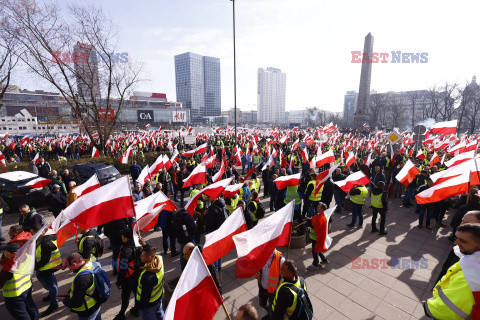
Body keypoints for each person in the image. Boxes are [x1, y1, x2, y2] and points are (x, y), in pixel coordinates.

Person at [423, 223, 480, 319]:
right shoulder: (471, 258)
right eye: (457, 238)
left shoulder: (472, 276)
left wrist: (427, 306)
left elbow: (448, 309)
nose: (456, 243)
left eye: (463, 240)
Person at [0, 243, 39, 320]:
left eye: (4, 251)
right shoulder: (28, 257)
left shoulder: (8, 267)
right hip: (27, 287)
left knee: (21, 314)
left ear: (8, 253)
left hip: (14, 295)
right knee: (30, 306)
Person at [32, 225, 61, 316]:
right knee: (50, 282)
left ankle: (54, 303)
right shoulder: (42, 239)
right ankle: (52, 295)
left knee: (51, 285)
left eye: (33, 232)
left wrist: (34, 267)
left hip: (47, 268)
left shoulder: (45, 243)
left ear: (42, 232)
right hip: (48, 267)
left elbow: (44, 260)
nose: (32, 234)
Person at [62, 252, 102, 320]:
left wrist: (64, 300)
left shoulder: (82, 278)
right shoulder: (92, 264)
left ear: (74, 265)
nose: (69, 269)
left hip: (88, 310)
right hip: (97, 303)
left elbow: (76, 303)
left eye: (69, 267)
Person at [114, 228, 140, 320]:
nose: (121, 237)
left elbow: (122, 270)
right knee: (137, 293)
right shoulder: (137, 245)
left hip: (128, 278)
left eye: (122, 236)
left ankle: (121, 314)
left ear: (126, 238)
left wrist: (119, 282)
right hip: (137, 275)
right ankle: (137, 310)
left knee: (125, 296)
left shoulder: (125, 251)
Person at [136, 245, 165, 320]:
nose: (140, 257)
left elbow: (145, 297)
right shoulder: (159, 259)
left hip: (148, 306)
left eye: (142, 256)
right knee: (160, 315)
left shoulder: (148, 277)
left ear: (149, 258)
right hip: (158, 299)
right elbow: (151, 250)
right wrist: (144, 244)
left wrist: (140, 307)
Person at [256, 250, 285, 318]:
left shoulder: (281, 260)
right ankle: (270, 312)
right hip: (262, 288)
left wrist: (277, 289)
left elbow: (283, 278)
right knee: (262, 303)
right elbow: (259, 269)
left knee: (273, 309)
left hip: (273, 292)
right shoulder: (261, 256)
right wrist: (257, 276)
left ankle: (271, 315)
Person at [306, 202, 329, 270]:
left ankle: (315, 264)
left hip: (315, 237)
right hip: (317, 237)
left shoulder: (320, 217)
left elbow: (315, 226)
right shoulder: (322, 215)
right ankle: (324, 260)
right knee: (318, 249)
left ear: (322, 209)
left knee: (315, 250)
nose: (317, 208)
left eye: (318, 207)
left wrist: (309, 222)